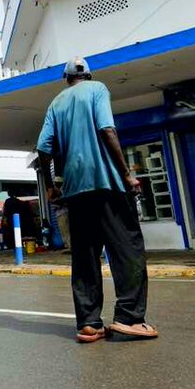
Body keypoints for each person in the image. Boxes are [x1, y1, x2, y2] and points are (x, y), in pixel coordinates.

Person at [37, 57, 157, 344]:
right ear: (89, 76)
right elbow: (107, 129)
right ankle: (129, 318)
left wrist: (53, 186)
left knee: (85, 256)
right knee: (128, 250)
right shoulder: (98, 89)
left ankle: (89, 323)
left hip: (76, 190)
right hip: (107, 184)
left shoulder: (56, 103)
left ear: (66, 79)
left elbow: (43, 148)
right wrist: (127, 175)